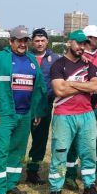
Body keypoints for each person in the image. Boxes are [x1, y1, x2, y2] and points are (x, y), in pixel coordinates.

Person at [0, 27, 45, 194]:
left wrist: (37, 110)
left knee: (17, 151)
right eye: (19, 40)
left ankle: (11, 183)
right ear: (11, 41)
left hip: (25, 114)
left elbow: (39, 87)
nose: (23, 43)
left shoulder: (32, 60)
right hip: (3, 114)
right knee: (0, 151)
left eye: (25, 40)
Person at [48, 30, 97, 194]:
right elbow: (59, 90)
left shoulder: (88, 65)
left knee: (89, 152)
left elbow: (95, 85)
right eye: (78, 43)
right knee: (60, 151)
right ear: (69, 42)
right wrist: (84, 86)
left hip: (86, 114)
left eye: (84, 44)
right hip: (64, 115)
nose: (81, 47)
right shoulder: (58, 65)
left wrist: (70, 83)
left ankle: (89, 185)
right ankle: (56, 188)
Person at [63, 24, 97, 188]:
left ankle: (95, 173)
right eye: (96, 37)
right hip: (80, 106)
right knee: (75, 141)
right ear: (88, 39)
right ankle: (70, 174)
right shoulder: (78, 56)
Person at [25, 28, 59, 185]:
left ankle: (33, 171)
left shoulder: (55, 58)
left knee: (39, 140)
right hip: (24, 104)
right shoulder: (25, 56)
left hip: (44, 105)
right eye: (36, 41)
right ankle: (6, 168)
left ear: (47, 42)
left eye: (42, 40)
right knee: (17, 138)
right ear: (32, 41)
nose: (39, 43)